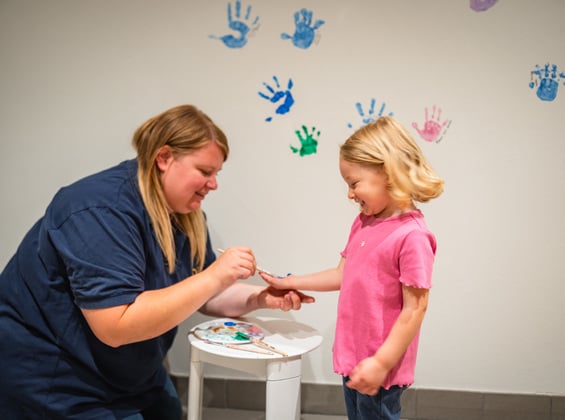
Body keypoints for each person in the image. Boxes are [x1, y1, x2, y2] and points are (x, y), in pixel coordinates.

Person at [0, 104, 314, 419]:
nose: (214, 184)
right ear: (164, 158)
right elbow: (116, 326)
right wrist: (215, 275)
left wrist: (258, 297)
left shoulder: (183, 213)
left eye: (217, 173)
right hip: (56, 379)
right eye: (205, 171)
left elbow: (203, 293)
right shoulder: (98, 211)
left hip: (131, 373)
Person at [260, 116, 444, 420]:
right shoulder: (364, 222)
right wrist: (287, 281)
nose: (349, 194)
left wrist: (382, 363)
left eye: (353, 183)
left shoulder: (412, 236)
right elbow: (342, 274)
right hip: (354, 357)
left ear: (386, 172)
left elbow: (415, 309)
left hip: (380, 367)